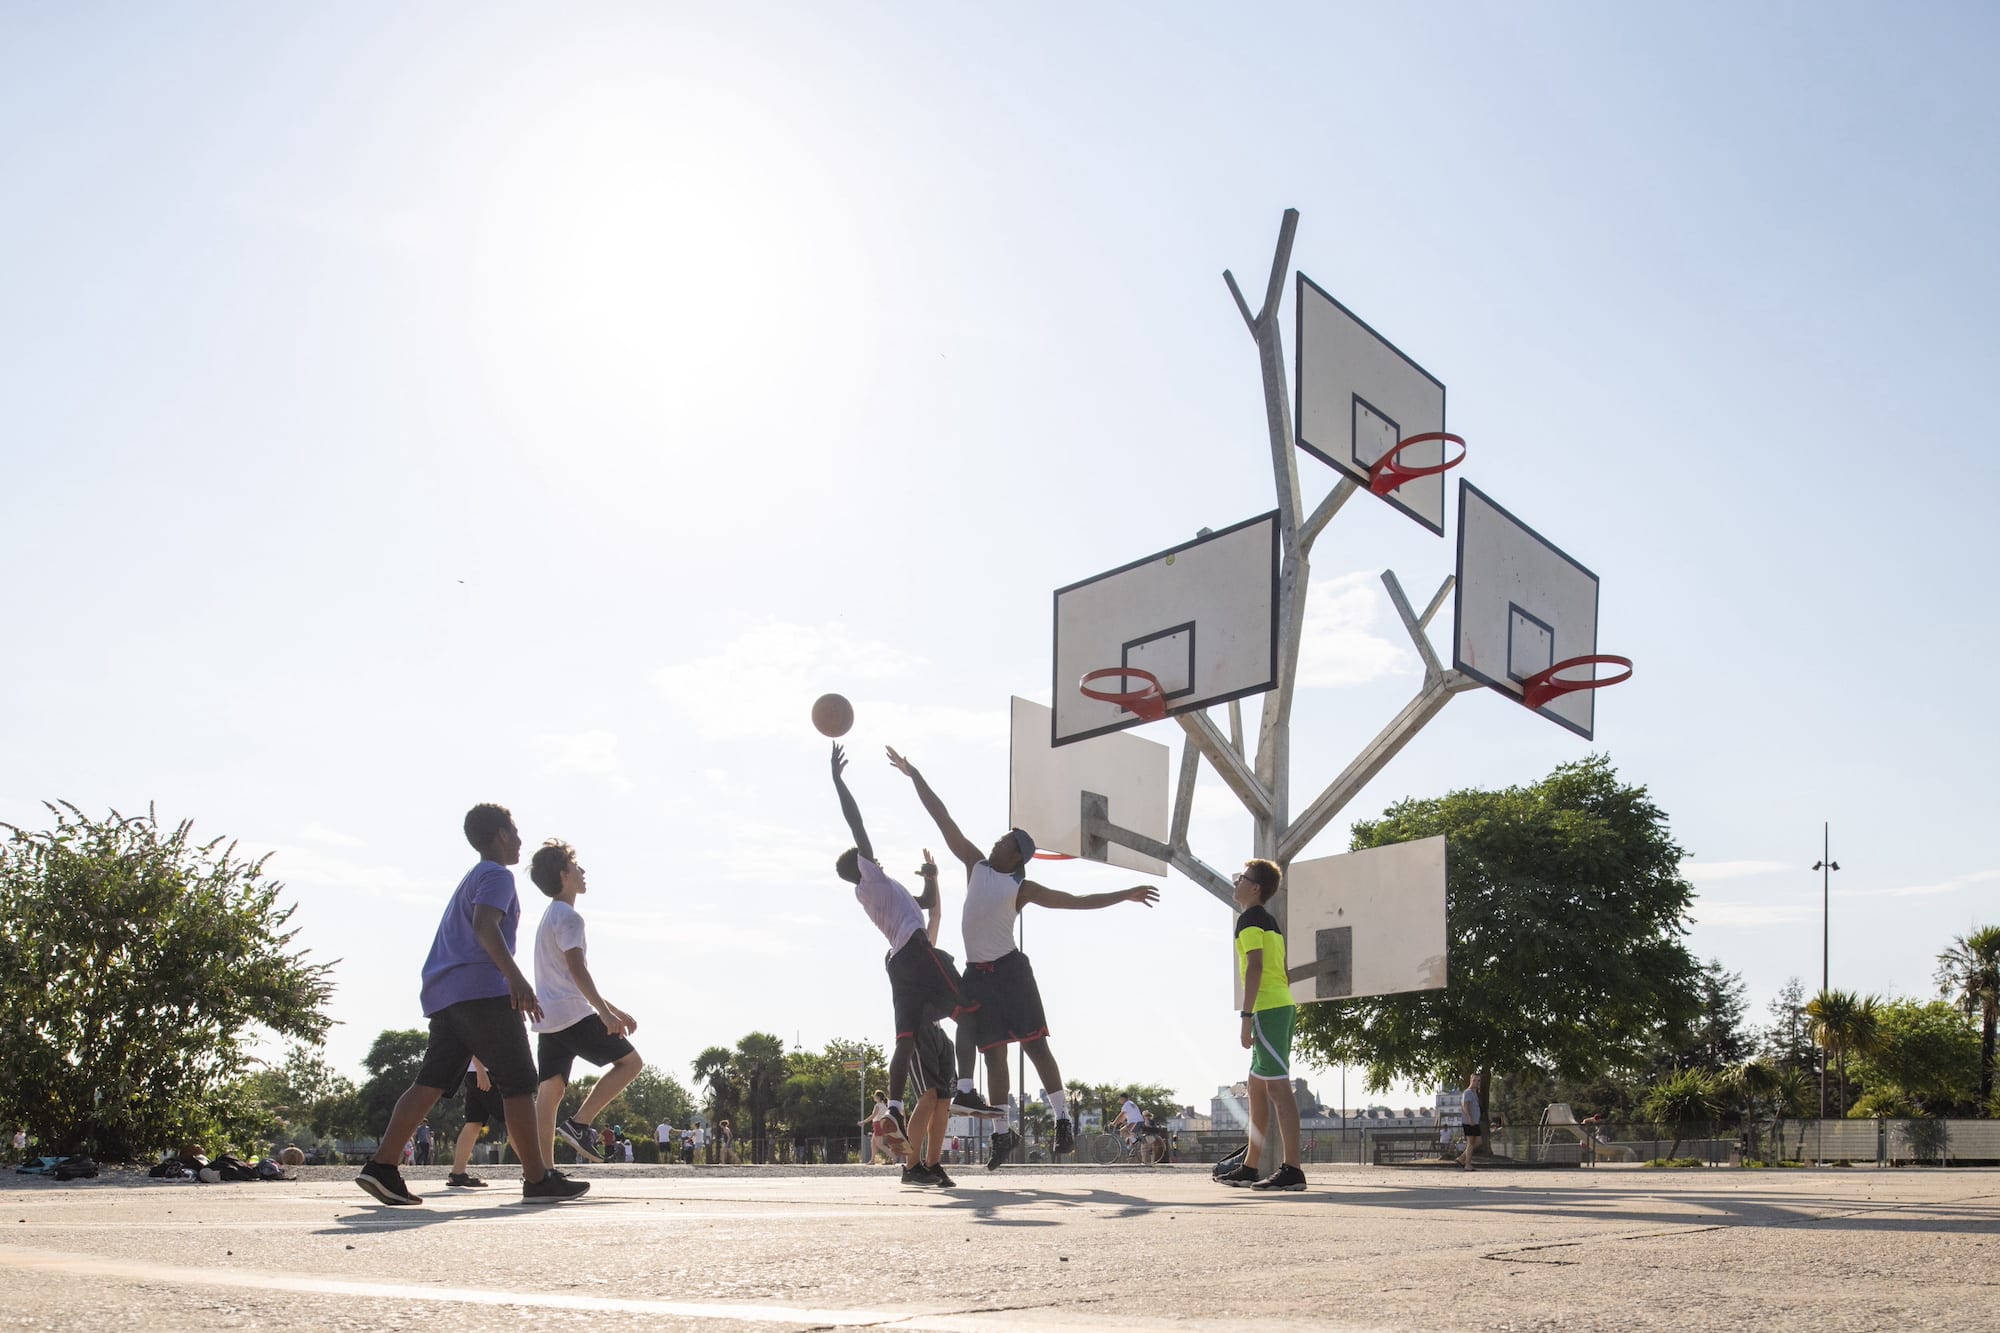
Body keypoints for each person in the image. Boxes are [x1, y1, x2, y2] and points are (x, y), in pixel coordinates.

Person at [886, 745, 1158, 1171]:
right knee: (992, 1053)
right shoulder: (976, 865)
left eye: (1004, 840)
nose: (995, 841)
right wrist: (914, 773)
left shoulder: (1021, 888)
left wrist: (1124, 894)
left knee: (1035, 1046)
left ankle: (1063, 1120)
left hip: (1011, 972)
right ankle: (1001, 1133)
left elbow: (1076, 901)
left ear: (1016, 855)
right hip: (977, 974)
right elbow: (943, 819)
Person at [354, 803, 587, 1206]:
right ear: (501, 834)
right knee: (517, 1082)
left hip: (446, 991)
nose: (518, 840)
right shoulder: (497, 876)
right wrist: (515, 978)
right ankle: (537, 1178)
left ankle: (382, 1166)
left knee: (429, 1082)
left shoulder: (474, 876)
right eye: (514, 832)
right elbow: (484, 925)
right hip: (482, 990)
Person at [828, 743, 959, 1187]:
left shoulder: (883, 888)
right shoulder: (869, 877)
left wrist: (933, 877)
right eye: (868, 857)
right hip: (911, 953)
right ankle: (971, 1088)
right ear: (861, 865)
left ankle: (897, 1107)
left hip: (902, 960)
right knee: (964, 998)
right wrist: (839, 781)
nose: (875, 857)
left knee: (904, 1038)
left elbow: (927, 904)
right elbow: (856, 822)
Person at [525, 839, 643, 1168]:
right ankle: (579, 1125)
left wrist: (613, 1010)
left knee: (549, 1093)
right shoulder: (570, 919)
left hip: (548, 1017)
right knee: (631, 1064)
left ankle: (542, 1171)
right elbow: (577, 971)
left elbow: (571, 975)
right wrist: (605, 1015)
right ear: (564, 875)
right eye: (577, 867)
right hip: (572, 1015)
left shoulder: (551, 916)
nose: (583, 872)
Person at [1215, 859, 1305, 1191]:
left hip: (1269, 1009)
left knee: (1279, 1089)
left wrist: (1246, 1016)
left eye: (1242, 878)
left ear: (1255, 888)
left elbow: (1256, 967)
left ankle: (1293, 1169)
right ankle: (1250, 1166)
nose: (1236, 881)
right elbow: (1281, 967)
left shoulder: (1249, 919)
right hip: (1276, 1006)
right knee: (1256, 1087)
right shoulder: (1268, 921)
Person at [446, 1057, 493, 1188]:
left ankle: (457, 1174)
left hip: (476, 1071)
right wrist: (481, 1070)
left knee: (474, 1123)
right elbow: (473, 1041)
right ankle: (535, 1172)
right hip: (486, 1072)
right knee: (512, 1119)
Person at [1459, 1073, 1484, 1171]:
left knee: (1477, 1142)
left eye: (1478, 1080)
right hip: (1469, 1121)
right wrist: (1470, 1118)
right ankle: (1467, 1164)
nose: (1476, 1082)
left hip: (1475, 1121)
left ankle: (1461, 1159)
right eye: (1474, 1080)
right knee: (1471, 1142)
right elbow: (1465, 1106)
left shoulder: (1475, 1093)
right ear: (1470, 1080)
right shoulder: (1468, 1092)